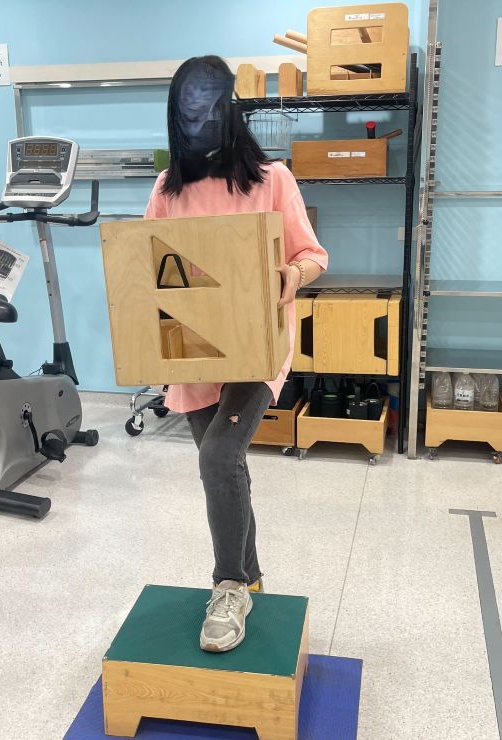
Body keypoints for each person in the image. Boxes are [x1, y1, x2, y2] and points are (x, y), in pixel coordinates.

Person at [144, 56, 328, 652]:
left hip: (257, 345)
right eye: (189, 111)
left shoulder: (272, 180)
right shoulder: (167, 189)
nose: (200, 121)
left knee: (219, 457)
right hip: (194, 349)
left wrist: (292, 276)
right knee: (225, 470)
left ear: (230, 110)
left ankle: (227, 587)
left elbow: (313, 255)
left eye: (211, 108)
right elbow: (148, 266)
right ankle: (253, 580)